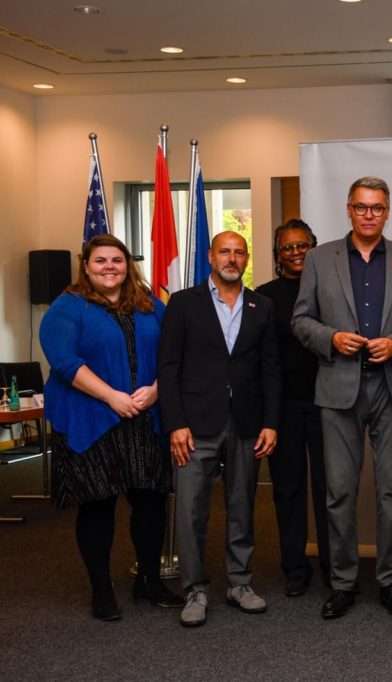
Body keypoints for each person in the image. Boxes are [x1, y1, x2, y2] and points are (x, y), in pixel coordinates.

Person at [292, 176, 392, 620]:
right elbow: (301, 320)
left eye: (377, 208)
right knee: (339, 492)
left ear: (387, 212)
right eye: (361, 207)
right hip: (339, 388)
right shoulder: (320, 259)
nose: (369, 214)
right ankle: (344, 583)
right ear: (348, 209)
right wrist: (332, 338)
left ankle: (389, 581)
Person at [40, 235, 183, 621]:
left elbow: (174, 351)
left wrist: (157, 390)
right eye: (100, 260)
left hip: (145, 419)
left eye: (117, 260)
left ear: (127, 265)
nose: (109, 267)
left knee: (151, 502)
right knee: (98, 505)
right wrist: (111, 397)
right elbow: (64, 362)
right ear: (86, 266)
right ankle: (101, 589)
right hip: (92, 419)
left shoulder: (149, 303)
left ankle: (149, 580)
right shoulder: (68, 306)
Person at [158, 230, 281, 627]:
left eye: (239, 252)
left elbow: (271, 369)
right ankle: (194, 589)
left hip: (246, 421)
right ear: (210, 257)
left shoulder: (262, 305)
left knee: (242, 506)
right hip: (195, 423)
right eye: (224, 252)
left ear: (247, 258)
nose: (232, 258)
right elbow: (168, 367)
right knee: (191, 509)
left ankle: (239, 583)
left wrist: (271, 422)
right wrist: (175, 423)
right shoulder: (183, 303)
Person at [255, 219, 330, 596]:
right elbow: (262, 357)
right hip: (283, 407)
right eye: (288, 247)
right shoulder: (264, 297)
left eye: (303, 245)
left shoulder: (331, 290)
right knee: (288, 489)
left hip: (329, 404)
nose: (296, 252)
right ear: (277, 254)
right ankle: (295, 568)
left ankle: (334, 567)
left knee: (331, 490)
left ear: (314, 247)